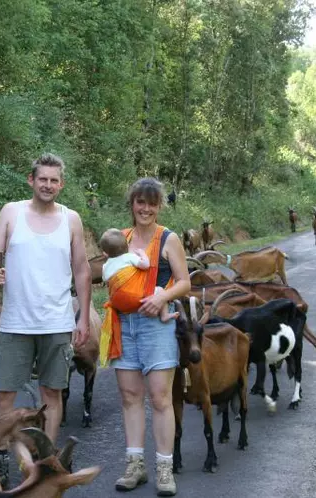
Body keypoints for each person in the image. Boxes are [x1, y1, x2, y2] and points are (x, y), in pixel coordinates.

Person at [0, 153, 91, 488]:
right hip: (14, 322)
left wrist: (83, 316)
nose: (48, 185)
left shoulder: (71, 219)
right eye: (42, 179)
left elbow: (82, 269)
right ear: (31, 180)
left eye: (54, 180)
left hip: (56, 322)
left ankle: (46, 459)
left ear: (62, 184)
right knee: (2, 395)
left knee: (51, 394)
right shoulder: (11, 212)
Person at [102, 177, 190, 497]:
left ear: (159, 206)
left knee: (160, 397)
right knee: (129, 396)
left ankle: (164, 469)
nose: (146, 209)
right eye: (141, 202)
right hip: (123, 325)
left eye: (152, 203)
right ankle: (134, 466)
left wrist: (161, 298)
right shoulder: (120, 238)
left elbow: (184, 282)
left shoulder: (169, 239)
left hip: (156, 325)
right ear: (132, 204)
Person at [99, 228, 179, 324]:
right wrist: (142, 254)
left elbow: (106, 280)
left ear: (105, 254)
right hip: (137, 298)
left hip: (117, 303)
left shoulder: (105, 266)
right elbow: (145, 265)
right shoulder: (129, 257)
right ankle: (164, 315)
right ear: (127, 246)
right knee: (160, 290)